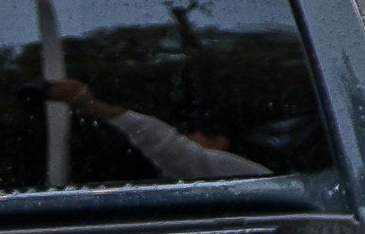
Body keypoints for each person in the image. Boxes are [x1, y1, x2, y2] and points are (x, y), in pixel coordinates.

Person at [41, 75, 268, 182]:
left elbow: (169, 148)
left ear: (221, 140)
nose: (183, 138)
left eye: (188, 132)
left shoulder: (246, 178)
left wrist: (92, 106)